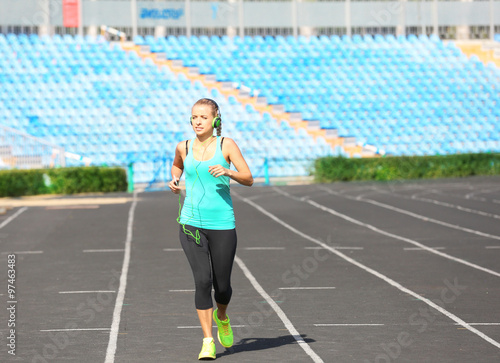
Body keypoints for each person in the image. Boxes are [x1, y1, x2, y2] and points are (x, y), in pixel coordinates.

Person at [168, 98, 253, 360]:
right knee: (202, 281)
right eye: (194, 117)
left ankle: (223, 315)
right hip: (191, 223)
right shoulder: (183, 146)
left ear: (215, 120)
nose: (197, 122)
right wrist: (175, 179)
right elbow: (177, 166)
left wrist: (228, 172)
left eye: (203, 117)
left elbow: (248, 178)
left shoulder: (226, 145)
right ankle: (207, 341)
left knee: (222, 286)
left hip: (222, 224)